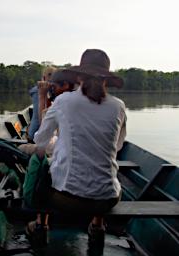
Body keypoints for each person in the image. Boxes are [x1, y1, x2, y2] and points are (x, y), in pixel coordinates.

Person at [31, 49, 127, 251]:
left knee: (41, 175)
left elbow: (39, 140)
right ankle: (98, 227)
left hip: (68, 199)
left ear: (79, 76)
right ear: (106, 79)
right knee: (108, 178)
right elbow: (118, 146)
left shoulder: (63, 101)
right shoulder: (118, 106)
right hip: (107, 199)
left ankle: (41, 226)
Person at [27, 66, 56, 142]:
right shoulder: (37, 91)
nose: (52, 81)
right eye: (50, 76)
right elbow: (40, 117)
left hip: (45, 133)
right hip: (35, 135)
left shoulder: (52, 90)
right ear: (44, 78)